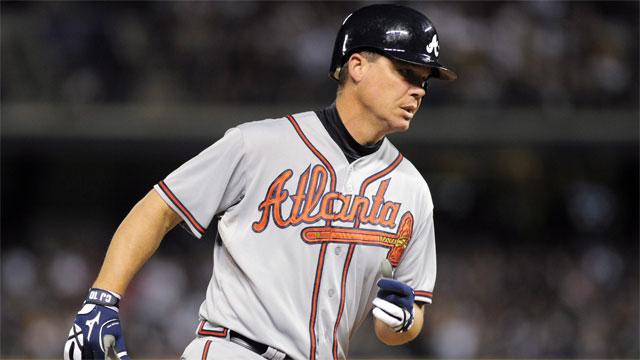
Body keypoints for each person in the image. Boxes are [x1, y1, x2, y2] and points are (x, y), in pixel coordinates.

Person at [64, 4, 457, 360]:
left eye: (424, 80)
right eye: (406, 71)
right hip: (233, 348)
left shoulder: (412, 189)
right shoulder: (259, 144)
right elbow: (159, 207)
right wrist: (102, 299)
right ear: (357, 66)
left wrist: (403, 322)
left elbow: (404, 319)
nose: (418, 90)